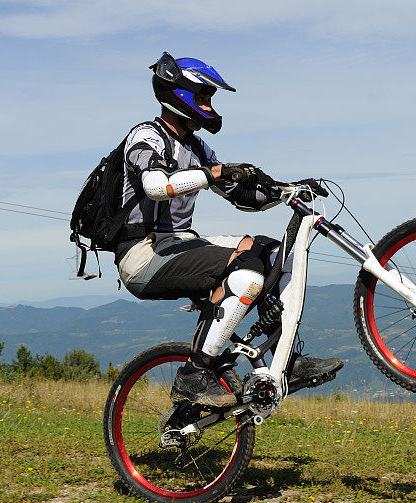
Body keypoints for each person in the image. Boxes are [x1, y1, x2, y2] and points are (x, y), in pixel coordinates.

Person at [115, 52, 343, 407]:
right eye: (203, 96)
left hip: (179, 245)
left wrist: (285, 190)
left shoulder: (195, 146)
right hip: (142, 255)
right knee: (248, 274)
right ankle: (194, 374)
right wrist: (213, 174)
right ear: (181, 95)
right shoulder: (146, 136)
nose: (209, 105)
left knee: (270, 251)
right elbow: (156, 185)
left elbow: (241, 197)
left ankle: (285, 359)